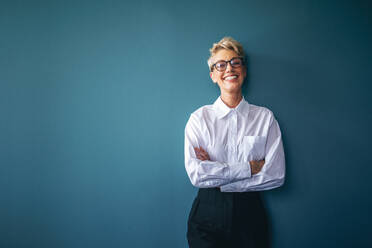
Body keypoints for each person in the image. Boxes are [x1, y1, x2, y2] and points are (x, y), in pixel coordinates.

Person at [184, 37, 286, 248]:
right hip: (207, 216)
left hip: (250, 215)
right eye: (220, 64)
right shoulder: (199, 119)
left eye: (235, 62)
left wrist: (218, 174)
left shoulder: (265, 118)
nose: (229, 68)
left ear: (244, 70)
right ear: (213, 75)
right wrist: (250, 168)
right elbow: (196, 174)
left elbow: (276, 176)